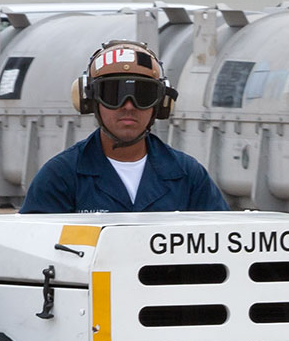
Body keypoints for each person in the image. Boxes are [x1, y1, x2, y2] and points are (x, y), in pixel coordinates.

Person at [20, 40, 228, 214]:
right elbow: (32, 244)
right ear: (90, 100)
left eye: (142, 95)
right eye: (113, 94)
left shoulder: (187, 176)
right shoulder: (61, 176)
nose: (128, 106)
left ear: (161, 104)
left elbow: (221, 238)